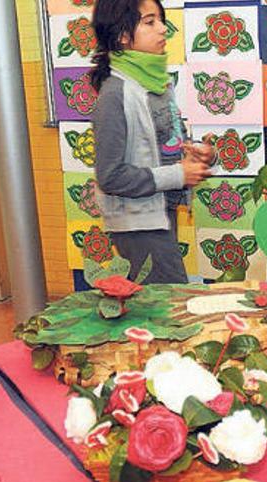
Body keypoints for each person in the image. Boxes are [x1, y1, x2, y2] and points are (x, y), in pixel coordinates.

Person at [90, 0, 214, 283]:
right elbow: (110, 176)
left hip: (159, 213)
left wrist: (199, 154)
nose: (162, 29)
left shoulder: (157, 83)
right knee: (169, 309)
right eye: (149, 22)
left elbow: (167, 145)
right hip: (137, 224)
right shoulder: (115, 95)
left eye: (160, 20)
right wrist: (179, 173)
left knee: (162, 308)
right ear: (122, 35)